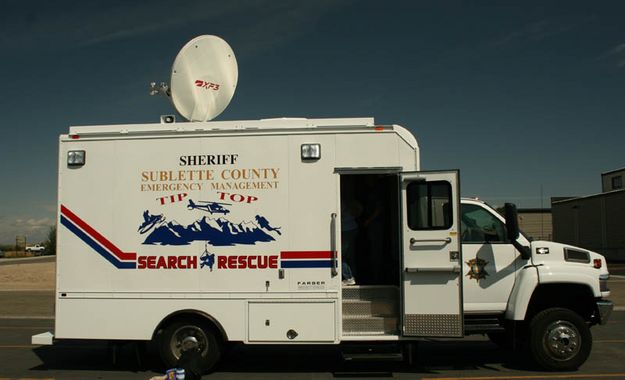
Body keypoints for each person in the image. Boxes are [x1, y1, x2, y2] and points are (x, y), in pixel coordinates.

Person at [341, 199, 361, 286]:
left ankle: (348, 277)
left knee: (339, 256)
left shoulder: (339, 201)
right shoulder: (348, 202)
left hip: (346, 230)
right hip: (352, 228)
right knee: (349, 255)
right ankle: (353, 276)